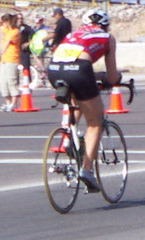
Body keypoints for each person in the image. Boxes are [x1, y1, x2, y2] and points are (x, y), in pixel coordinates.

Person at [47, 9, 120, 192]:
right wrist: (114, 78)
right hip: (80, 69)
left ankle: (67, 138)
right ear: (105, 24)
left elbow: (69, 62)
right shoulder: (107, 37)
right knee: (95, 123)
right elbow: (111, 78)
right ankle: (87, 170)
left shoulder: (73, 33)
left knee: (77, 97)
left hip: (54, 69)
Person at [0, 13, 21, 112]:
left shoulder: (15, 31)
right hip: (4, 59)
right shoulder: (7, 30)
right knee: (4, 81)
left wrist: (3, 50)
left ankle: (14, 103)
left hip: (12, 59)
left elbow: (8, 41)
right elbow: (0, 25)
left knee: (12, 80)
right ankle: (8, 103)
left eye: (5, 21)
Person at [17, 13, 34, 81]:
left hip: (24, 51)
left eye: (21, 18)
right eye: (18, 18)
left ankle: (28, 82)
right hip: (15, 51)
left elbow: (35, 37)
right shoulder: (13, 28)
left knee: (26, 68)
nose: (20, 20)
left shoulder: (27, 28)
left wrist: (28, 43)